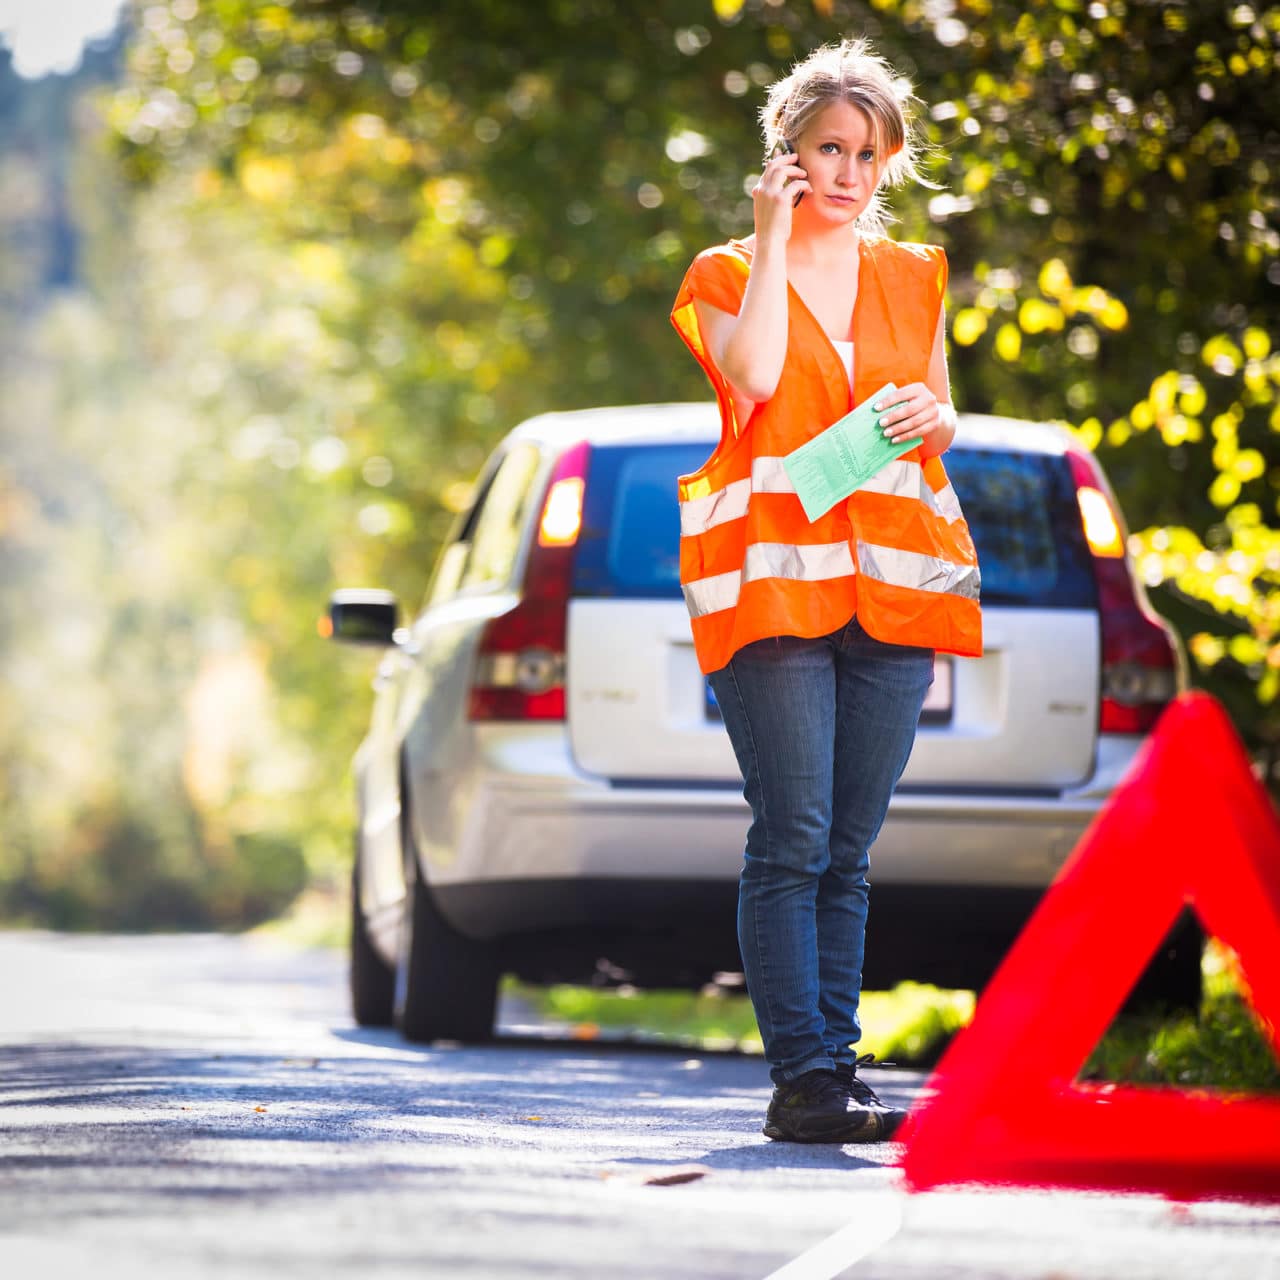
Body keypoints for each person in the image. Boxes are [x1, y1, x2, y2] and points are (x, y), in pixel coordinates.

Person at [670, 37, 983, 1144]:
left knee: (847, 851)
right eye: (825, 150)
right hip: (774, 595)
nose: (846, 171)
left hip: (891, 595)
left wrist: (931, 421)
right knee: (790, 837)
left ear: (888, 162)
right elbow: (751, 380)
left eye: (865, 153)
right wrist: (765, 234)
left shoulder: (913, 277)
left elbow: (938, 411)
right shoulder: (722, 273)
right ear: (786, 155)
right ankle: (800, 1075)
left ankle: (834, 1071)